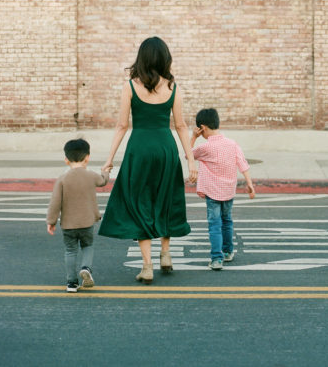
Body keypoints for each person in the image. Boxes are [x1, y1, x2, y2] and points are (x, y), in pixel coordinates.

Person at [98, 37, 198, 284]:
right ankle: (166, 252)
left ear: (141, 58)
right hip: (165, 148)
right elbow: (181, 126)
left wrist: (109, 159)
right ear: (165, 58)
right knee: (165, 198)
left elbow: (122, 125)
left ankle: (147, 265)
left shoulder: (130, 87)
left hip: (139, 150)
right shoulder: (173, 87)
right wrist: (191, 160)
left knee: (139, 202)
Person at [189, 108, 255, 270]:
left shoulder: (205, 148)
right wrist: (250, 184)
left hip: (213, 193)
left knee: (214, 225)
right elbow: (242, 163)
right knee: (227, 221)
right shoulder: (232, 144)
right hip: (228, 191)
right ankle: (228, 252)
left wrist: (193, 138)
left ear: (202, 128)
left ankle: (217, 259)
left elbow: (188, 154)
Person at [46, 138, 110, 292]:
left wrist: (51, 221)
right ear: (87, 157)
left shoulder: (62, 179)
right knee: (88, 246)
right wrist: (105, 171)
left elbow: (55, 202)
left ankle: (71, 283)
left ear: (66, 160)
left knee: (70, 251)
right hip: (87, 222)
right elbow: (102, 181)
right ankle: (86, 268)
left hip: (68, 224)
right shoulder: (91, 175)